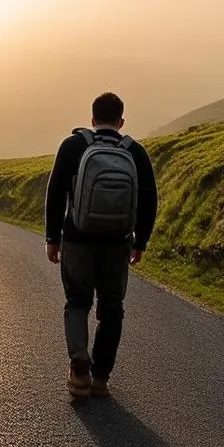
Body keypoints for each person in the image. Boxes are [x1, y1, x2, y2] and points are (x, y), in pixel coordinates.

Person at [44, 92, 158, 398]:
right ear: (121, 121)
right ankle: (100, 379)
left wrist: (52, 238)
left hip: (78, 240)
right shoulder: (135, 152)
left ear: (92, 120)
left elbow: (55, 193)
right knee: (112, 308)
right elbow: (149, 201)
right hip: (117, 244)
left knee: (77, 302)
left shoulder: (73, 146)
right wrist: (141, 241)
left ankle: (79, 365)